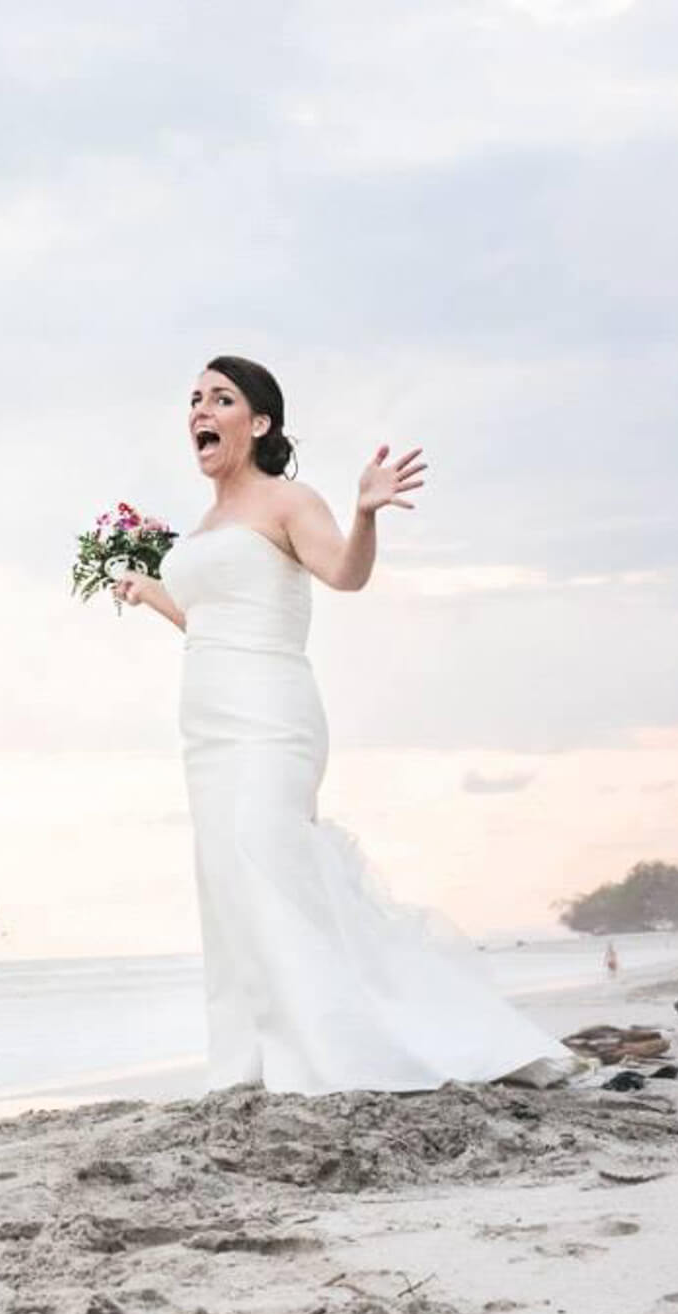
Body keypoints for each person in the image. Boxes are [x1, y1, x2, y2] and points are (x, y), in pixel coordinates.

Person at [114, 355, 579, 1092]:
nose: (201, 409)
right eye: (195, 399)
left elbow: (345, 575)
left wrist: (364, 515)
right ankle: (253, 1060)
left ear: (259, 422)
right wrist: (150, 592)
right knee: (228, 881)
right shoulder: (204, 524)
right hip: (207, 727)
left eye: (222, 398)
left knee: (272, 860)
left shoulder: (288, 500)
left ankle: (344, 1048)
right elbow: (207, 623)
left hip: (272, 714)